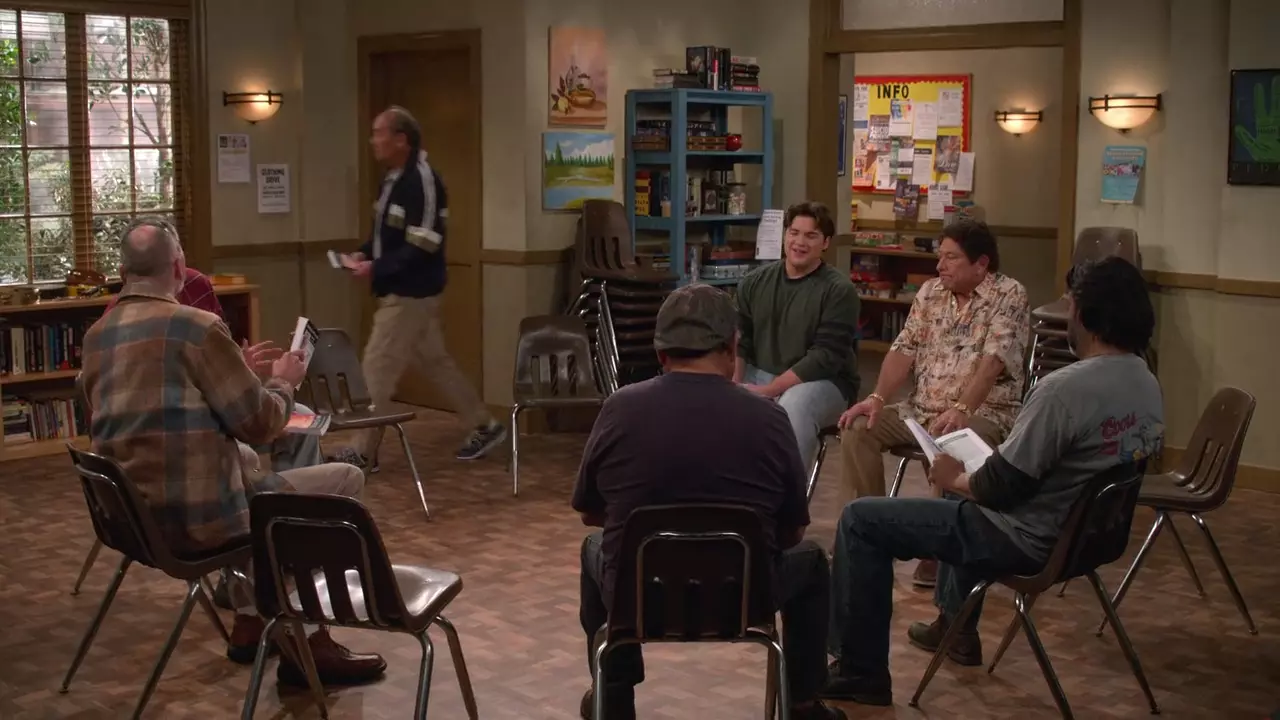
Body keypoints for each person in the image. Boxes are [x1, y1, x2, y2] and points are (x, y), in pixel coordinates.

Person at [823, 256, 1163, 706]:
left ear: (1087, 316)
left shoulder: (1064, 390)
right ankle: (957, 629)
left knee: (861, 520)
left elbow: (999, 488)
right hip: (1088, 539)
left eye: (1070, 304)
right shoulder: (1145, 380)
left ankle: (859, 670)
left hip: (1025, 538)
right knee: (964, 497)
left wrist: (953, 476)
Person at [78, 218, 387, 689]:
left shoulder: (96, 337)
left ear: (123, 273)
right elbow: (261, 423)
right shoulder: (195, 327)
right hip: (200, 522)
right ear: (178, 268)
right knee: (341, 481)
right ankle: (309, 644)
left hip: (134, 523)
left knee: (249, 473)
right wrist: (284, 380)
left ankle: (255, 620)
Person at [571, 283, 845, 720]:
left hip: (640, 596)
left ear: (660, 352)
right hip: (744, 598)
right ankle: (803, 703)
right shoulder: (771, 418)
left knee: (596, 550)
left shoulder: (619, 408)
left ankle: (613, 694)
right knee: (812, 563)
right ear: (732, 347)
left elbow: (590, 512)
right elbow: (792, 530)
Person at [836, 220, 1029, 588]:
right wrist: (877, 398)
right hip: (921, 408)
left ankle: (941, 548)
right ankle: (870, 532)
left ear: (981, 263)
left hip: (985, 412)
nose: (940, 266)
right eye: (940, 256)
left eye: (951, 258)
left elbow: (993, 362)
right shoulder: (930, 292)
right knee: (858, 428)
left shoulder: (1009, 295)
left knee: (954, 438)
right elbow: (903, 348)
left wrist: (963, 409)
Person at [329, 105, 505, 469]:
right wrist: (363, 254)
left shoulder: (422, 180)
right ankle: (484, 424)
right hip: (400, 291)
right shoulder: (392, 179)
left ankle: (363, 452)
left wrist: (377, 267)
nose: (373, 141)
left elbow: (425, 240)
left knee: (375, 368)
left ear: (401, 139)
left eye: (379, 133)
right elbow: (386, 236)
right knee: (436, 363)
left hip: (411, 294)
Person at [735, 200, 860, 470]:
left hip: (824, 381)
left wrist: (771, 390)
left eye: (811, 235)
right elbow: (739, 343)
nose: (799, 242)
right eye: (794, 233)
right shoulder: (754, 282)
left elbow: (824, 357)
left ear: (825, 243)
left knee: (794, 405)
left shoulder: (839, 291)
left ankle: (787, 494)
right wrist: (730, 387)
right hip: (760, 373)